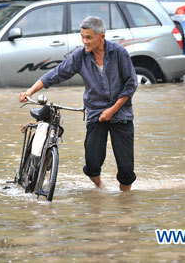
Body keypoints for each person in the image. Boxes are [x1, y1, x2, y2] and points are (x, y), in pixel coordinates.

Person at [18, 16, 138, 191]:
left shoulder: (119, 53)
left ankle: (125, 204)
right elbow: (56, 74)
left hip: (121, 113)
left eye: (89, 37)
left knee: (126, 170)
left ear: (101, 37)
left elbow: (131, 84)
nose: (85, 41)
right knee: (92, 165)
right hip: (96, 114)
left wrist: (112, 110)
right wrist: (30, 91)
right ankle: (101, 189)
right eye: (82, 37)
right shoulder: (80, 56)